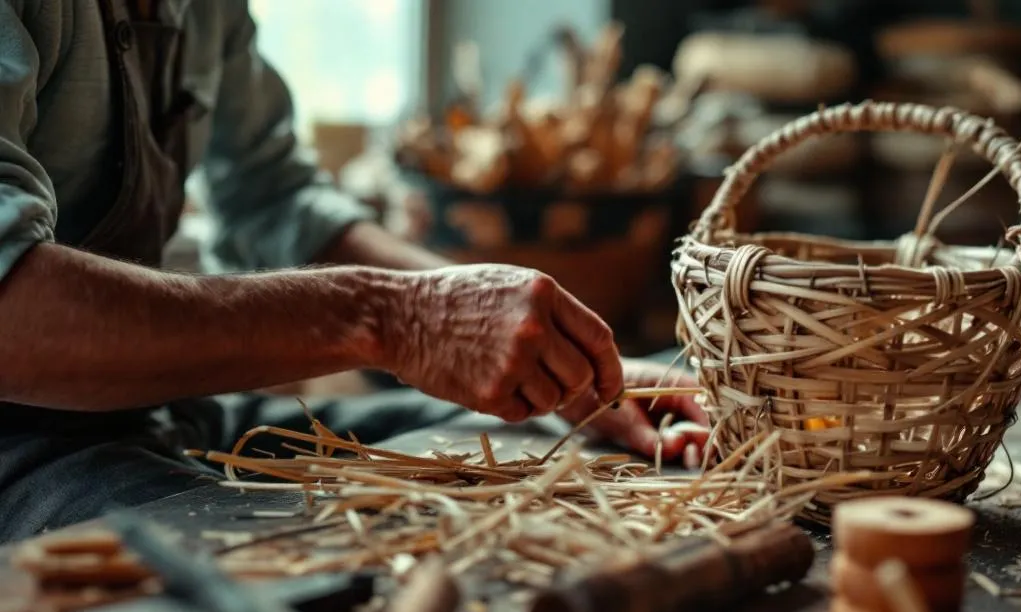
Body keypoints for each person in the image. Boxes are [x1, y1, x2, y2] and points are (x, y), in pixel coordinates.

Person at [0, 0, 707, 541]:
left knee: (530, 445)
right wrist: (391, 317)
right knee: (299, 565)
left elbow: (273, 199)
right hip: (19, 445)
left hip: (158, 412)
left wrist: (556, 364)